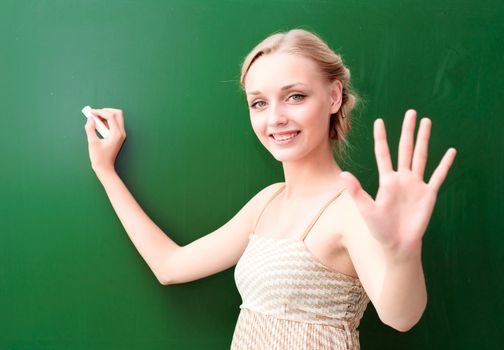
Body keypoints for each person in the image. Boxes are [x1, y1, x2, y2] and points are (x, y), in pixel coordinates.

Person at [84, 28, 457, 350]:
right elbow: (170, 266)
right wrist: (106, 171)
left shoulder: (350, 210)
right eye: (259, 103)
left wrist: (403, 253)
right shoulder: (267, 201)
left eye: (295, 96)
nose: (275, 117)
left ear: (333, 97)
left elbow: (400, 316)